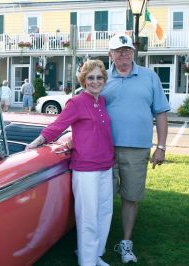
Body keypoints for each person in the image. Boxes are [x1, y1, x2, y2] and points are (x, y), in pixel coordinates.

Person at [27, 59, 114, 266]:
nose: (95, 81)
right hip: (86, 169)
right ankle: (87, 261)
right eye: (90, 78)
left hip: (106, 166)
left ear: (104, 79)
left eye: (99, 77)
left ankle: (95, 255)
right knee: (88, 218)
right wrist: (36, 143)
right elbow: (57, 126)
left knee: (104, 213)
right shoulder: (76, 102)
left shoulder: (101, 101)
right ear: (83, 80)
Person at [102, 34, 170, 264]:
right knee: (102, 198)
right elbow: (84, 108)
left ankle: (126, 243)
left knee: (131, 197)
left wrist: (161, 147)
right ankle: (97, 243)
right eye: (118, 50)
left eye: (127, 50)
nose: (123, 54)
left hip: (137, 149)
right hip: (103, 150)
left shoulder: (150, 77)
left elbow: (161, 112)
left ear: (133, 52)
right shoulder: (100, 78)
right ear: (110, 54)